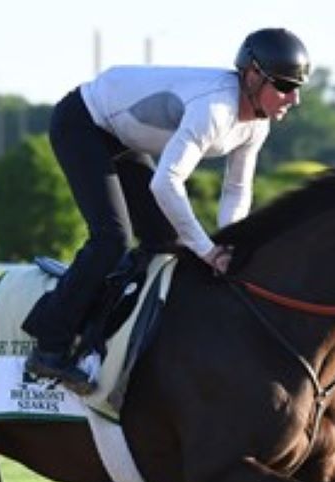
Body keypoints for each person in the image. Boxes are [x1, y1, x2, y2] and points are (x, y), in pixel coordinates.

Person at [23, 27, 311, 395]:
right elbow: (165, 183)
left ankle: (105, 325)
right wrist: (208, 250)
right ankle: (50, 344)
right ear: (252, 75)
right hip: (82, 122)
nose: (295, 99)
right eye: (285, 86)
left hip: (122, 136)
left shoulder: (256, 124)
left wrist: (231, 245)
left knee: (168, 240)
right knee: (112, 238)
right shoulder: (214, 110)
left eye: (299, 87)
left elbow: (237, 189)